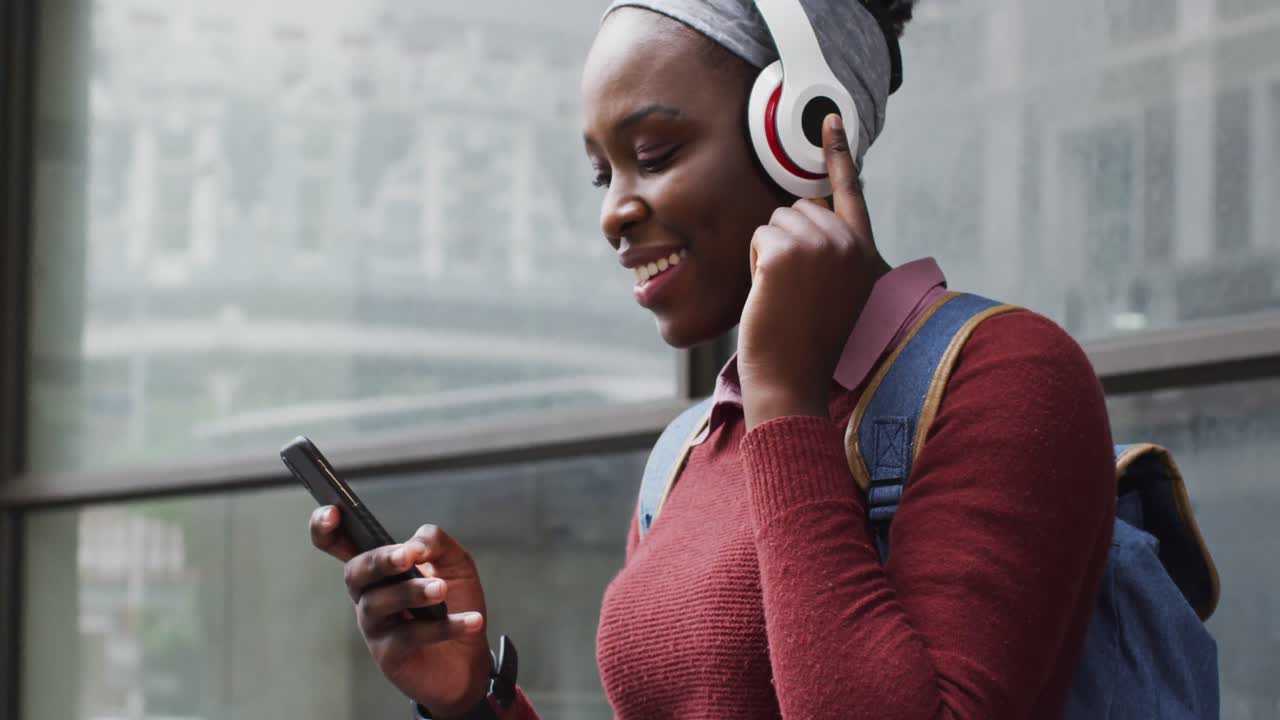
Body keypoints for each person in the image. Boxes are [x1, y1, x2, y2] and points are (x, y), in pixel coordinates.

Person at [308, 1, 1116, 718]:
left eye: (654, 152)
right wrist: (474, 700)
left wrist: (788, 402)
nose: (613, 212)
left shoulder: (1008, 375)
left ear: (802, 129)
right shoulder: (686, 455)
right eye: (602, 173)